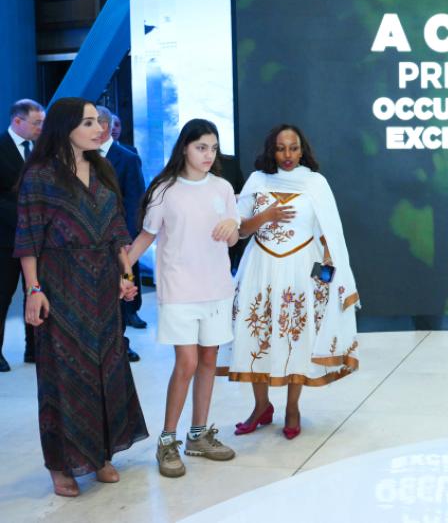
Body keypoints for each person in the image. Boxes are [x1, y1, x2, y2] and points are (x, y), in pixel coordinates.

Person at [14, 98, 146, 497]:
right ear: (66, 126)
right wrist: (34, 289)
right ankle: (62, 465)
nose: (98, 128)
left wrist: (125, 274)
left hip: (103, 284)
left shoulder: (102, 169)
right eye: (88, 122)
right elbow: (28, 237)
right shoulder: (40, 175)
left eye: (98, 122)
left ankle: (100, 454)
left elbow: (117, 228)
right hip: (61, 282)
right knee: (65, 374)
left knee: (107, 368)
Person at [221, 124, 359, 440]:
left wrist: (328, 267)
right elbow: (240, 231)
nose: (287, 155)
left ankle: (292, 408)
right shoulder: (258, 180)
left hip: (300, 271)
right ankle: (261, 407)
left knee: (296, 337)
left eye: (293, 148)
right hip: (259, 268)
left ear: (302, 150)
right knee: (256, 334)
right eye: (281, 148)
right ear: (271, 150)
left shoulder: (315, 183)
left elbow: (330, 232)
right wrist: (265, 217)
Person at [127, 119, 239, 478]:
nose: (208, 155)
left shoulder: (222, 187)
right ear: (185, 148)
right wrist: (121, 270)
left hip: (216, 288)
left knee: (209, 360)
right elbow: (146, 236)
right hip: (178, 289)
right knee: (186, 363)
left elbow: (232, 237)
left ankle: (198, 435)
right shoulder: (165, 190)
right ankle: (167, 440)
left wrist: (233, 228)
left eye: (213, 148)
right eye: (201, 147)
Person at [97, 106, 147, 352]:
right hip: (88, 240)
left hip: (118, 239)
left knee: (121, 290)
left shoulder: (127, 158)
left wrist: (128, 240)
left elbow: (135, 201)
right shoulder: (79, 156)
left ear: (103, 126)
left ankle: (120, 344)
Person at [0, 99, 44, 371]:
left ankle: (34, 348)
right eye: (37, 123)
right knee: (2, 295)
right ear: (17, 121)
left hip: (38, 240)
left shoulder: (41, 151)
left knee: (35, 291)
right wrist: (23, 218)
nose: (41, 128)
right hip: (5, 239)